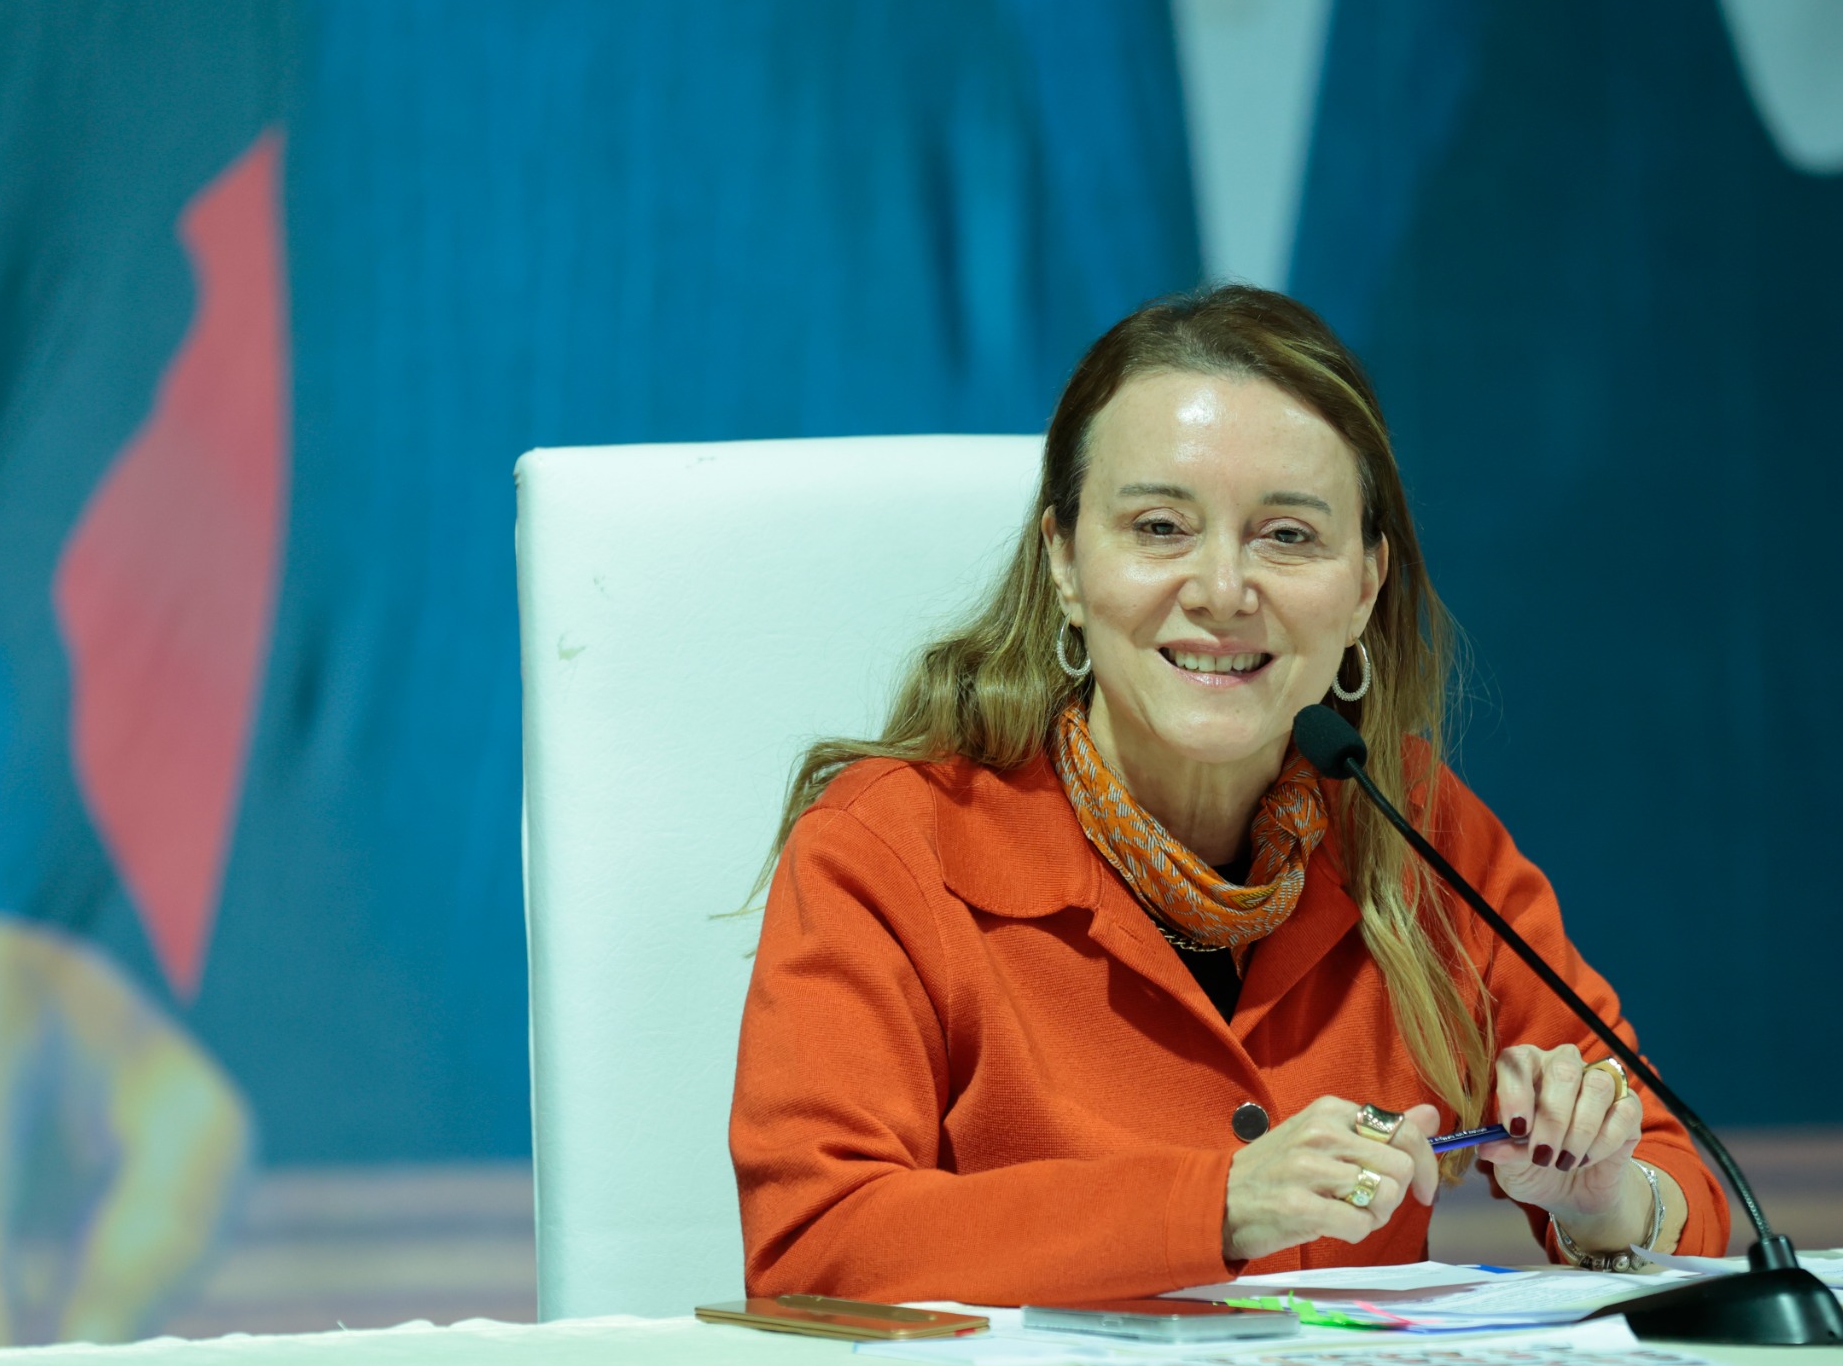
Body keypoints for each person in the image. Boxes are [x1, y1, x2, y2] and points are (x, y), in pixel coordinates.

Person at [731, 287, 1728, 1305]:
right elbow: (816, 1246)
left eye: (1286, 536)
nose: (1221, 590)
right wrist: (1219, 1205)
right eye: (1161, 526)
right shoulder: (889, 845)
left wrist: (1605, 1198)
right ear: (1064, 561)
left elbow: (1682, 1175)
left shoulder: (1413, 828)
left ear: (1365, 586)